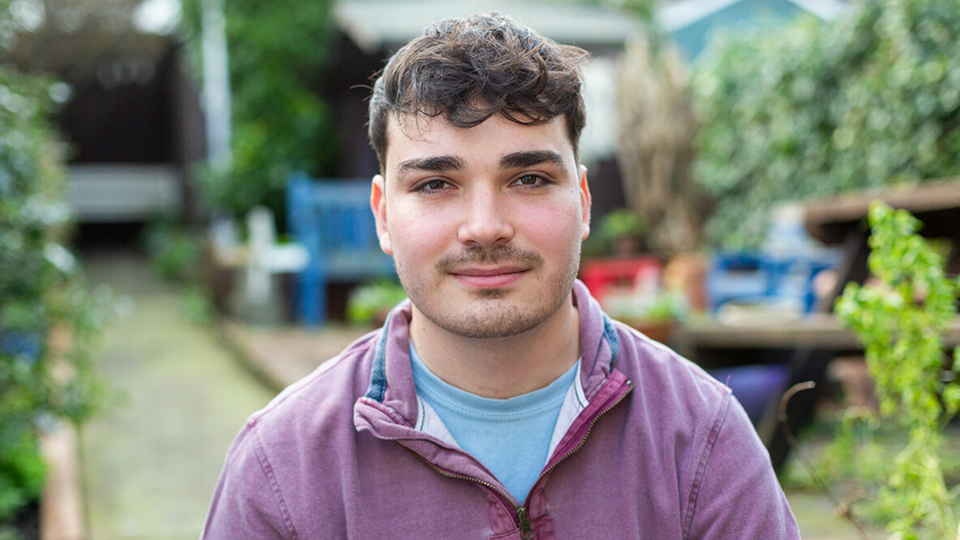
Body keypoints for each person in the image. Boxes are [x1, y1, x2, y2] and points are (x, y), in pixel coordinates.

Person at [201, 13, 800, 539]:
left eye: (529, 179)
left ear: (584, 202)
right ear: (384, 215)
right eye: (436, 184)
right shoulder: (282, 468)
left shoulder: (701, 440)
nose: (485, 227)